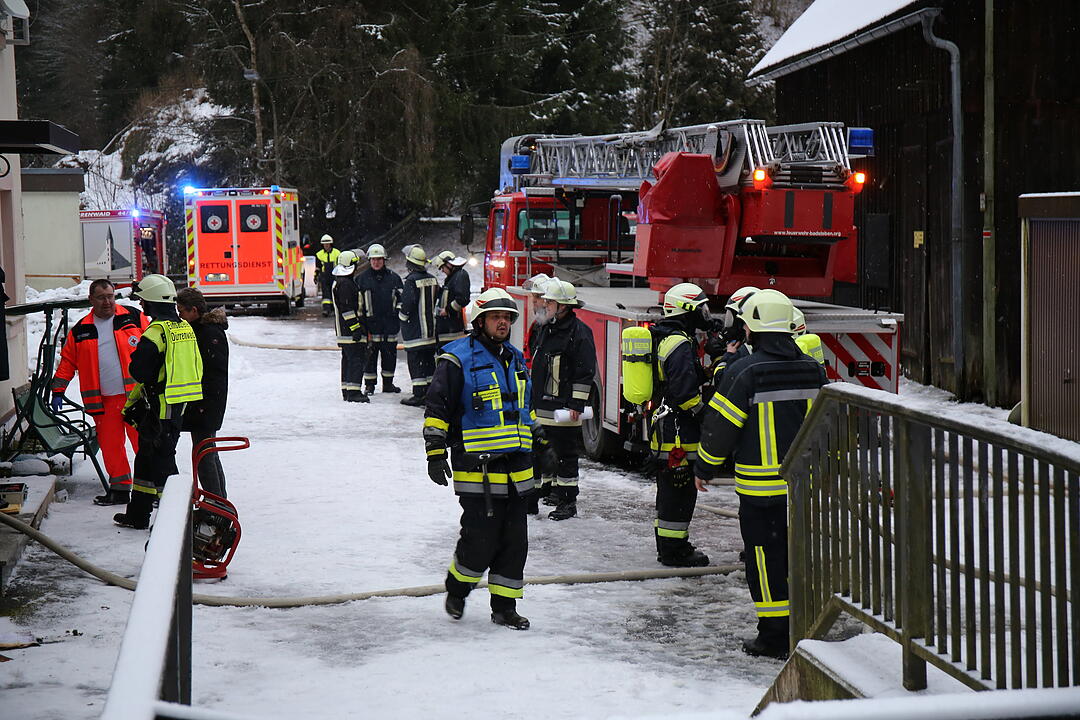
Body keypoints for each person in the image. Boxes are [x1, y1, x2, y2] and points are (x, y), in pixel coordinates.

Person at [693, 289, 827, 660]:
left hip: (761, 491)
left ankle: (772, 635)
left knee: (765, 561)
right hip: (804, 488)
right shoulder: (813, 369)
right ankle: (806, 623)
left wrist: (703, 467)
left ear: (751, 330)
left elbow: (721, 428)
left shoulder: (745, 371)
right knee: (799, 555)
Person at [423, 288, 556, 630]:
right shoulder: (456, 360)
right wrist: (435, 453)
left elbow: (523, 409)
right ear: (479, 321)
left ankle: (504, 607)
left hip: (518, 469)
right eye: (496, 317)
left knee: (515, 543)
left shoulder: (514, 358)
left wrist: (541, 441)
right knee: (479, 540)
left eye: (507, 318)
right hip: (478, 469)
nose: (503, 323)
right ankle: (457, 590)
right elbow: (438, 409)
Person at [113, 275, 203, 529]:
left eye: (143, 301)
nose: (141, 305)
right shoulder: (184, 328)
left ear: (150, 303)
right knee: (145, 458)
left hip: (159, 407)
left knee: (163, 462)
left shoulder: (156, 332)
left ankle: (174, 521)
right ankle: (138, 514)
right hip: (177, 405)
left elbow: (139, 371)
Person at [51, 279, 149, 506]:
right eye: (101, 297)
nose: (107, 302)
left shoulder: (133, 317)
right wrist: (58, 390)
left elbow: (153, 346)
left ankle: (150, 491)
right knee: (111, 448)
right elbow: (67, 362)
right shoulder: (82, 330)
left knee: (144, 445)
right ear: (91, 300)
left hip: (135, 397)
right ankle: (120, 490)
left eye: (110, 296)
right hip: (103, 401)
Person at [650, 283, 711, 567]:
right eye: (701, 308)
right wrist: (705, 416)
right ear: (686, 310)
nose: (705, 314)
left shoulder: (671, 338)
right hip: (679, 431)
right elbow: (685, 392)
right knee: (680, 491)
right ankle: (675, 551)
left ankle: (668, 544)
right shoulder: (679, 343)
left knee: (670, 490)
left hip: (667, 429)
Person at [528, 280, 596, 521]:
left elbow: (585, 371)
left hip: (565, 408)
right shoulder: (547, 327)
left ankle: (568, 501)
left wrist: (576, 403)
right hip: (542, 405)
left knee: (565, 455)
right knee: (541, 450)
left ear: (563, 306)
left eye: (550, 302)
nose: (544, 305)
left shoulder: (579, 333)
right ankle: (547, 491)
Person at [176, 287, 229, 498]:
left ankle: (216, 503)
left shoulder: (208, 334)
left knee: (204, 453)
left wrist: (201, 405)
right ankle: (219, 500)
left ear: (194, 310)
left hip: (206, 404)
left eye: (182, 311)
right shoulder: (203, 330)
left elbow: (212, 374)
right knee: (207, 451)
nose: (179, 315)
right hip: (205, 403)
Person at [356, 243, 403, 395]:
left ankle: (388, 384)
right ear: (369, 260)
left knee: (390, 356)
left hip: (390, 326)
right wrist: (362, 325)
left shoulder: (394, 278)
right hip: (370, 327)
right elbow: (358, 305)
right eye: (373, 259)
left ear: (384, 260)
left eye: (379, 259)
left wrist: (396, 319)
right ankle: (369, 385)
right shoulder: (361, 280)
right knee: (369, 357)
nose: (376, 262)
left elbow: (401, 301)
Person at [398, 245, 439, 406]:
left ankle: (418, 394)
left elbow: (408, 304)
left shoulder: (411, 281)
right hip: (430, 330)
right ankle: (430, 392)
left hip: (415, 331)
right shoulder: (432, 279)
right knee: (429, 361)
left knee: (416, 362)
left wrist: (402, 317)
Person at [332, 250, 370, 403]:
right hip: (350, 331)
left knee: (348, 360)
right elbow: (347, 309)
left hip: (344, 331)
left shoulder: (340, 282)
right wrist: (356, 329)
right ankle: (354, 392)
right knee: (356, 360)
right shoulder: (346, 284)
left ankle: (347, 390)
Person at [433, 250, 471, 351]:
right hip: (447, 331)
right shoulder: (452, 278)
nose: (442, 271)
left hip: (452, 333)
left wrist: (448, 310)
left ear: (449, 264)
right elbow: (450, 295)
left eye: (442, 267)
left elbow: (463, 298)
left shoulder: (460, 275)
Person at [521, 272, 551, 364]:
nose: (533, 300)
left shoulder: (554, 328)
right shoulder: (537, 325)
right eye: (533, 296)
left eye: (538, 296)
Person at [315, 235, 341, 317]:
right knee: (326, 295)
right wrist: (315, 275)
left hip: (335, 276)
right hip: (324, 277)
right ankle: (326, 309)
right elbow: (318, 267)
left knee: (335, 293)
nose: (326, 246)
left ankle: (334, 309)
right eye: (324, 244)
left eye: (328, 244)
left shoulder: (337, 253)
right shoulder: (319, 255)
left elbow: (340, 265)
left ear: (331, 244)